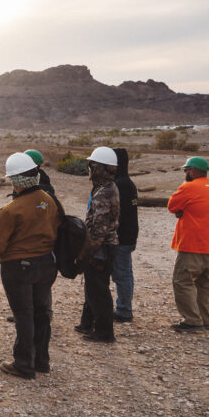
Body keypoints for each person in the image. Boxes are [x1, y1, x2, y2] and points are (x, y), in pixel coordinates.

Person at [0, 153, 61, 379]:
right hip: (47, 264)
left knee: (23, 314)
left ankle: (23, 363)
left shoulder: (9, 210)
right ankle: (41, 361)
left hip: (18, 268)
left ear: (15, 181)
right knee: (41, 312)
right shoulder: (49, 201)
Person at [167, 156, 209, 332]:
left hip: (193, 245)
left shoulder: (190, 186)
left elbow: (171, 205)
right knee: (203, 284)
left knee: (182, 281)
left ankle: (192, 320)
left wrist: (181, 210)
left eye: (186, 170)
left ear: (192, 171)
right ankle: (205, 319)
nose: (185, 173)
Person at [74, 147, 120, 344]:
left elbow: (98, 228)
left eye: (92, 165)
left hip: (101, 248)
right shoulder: (108, 188)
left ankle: (104, 332)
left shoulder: (103, 193)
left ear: (99, 168)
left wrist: (87, 250)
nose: (89, 169)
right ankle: (90, 324)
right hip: (106, 246)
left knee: (98, 290)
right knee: (95, 288)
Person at [111, 147, 139, 323]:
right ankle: (124, 307)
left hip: (121, 237)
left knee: (122, 275)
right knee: (125, 274)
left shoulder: (120, 184)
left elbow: (117, 214)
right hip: (128, 236)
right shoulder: (128, 183)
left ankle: (124, 310)